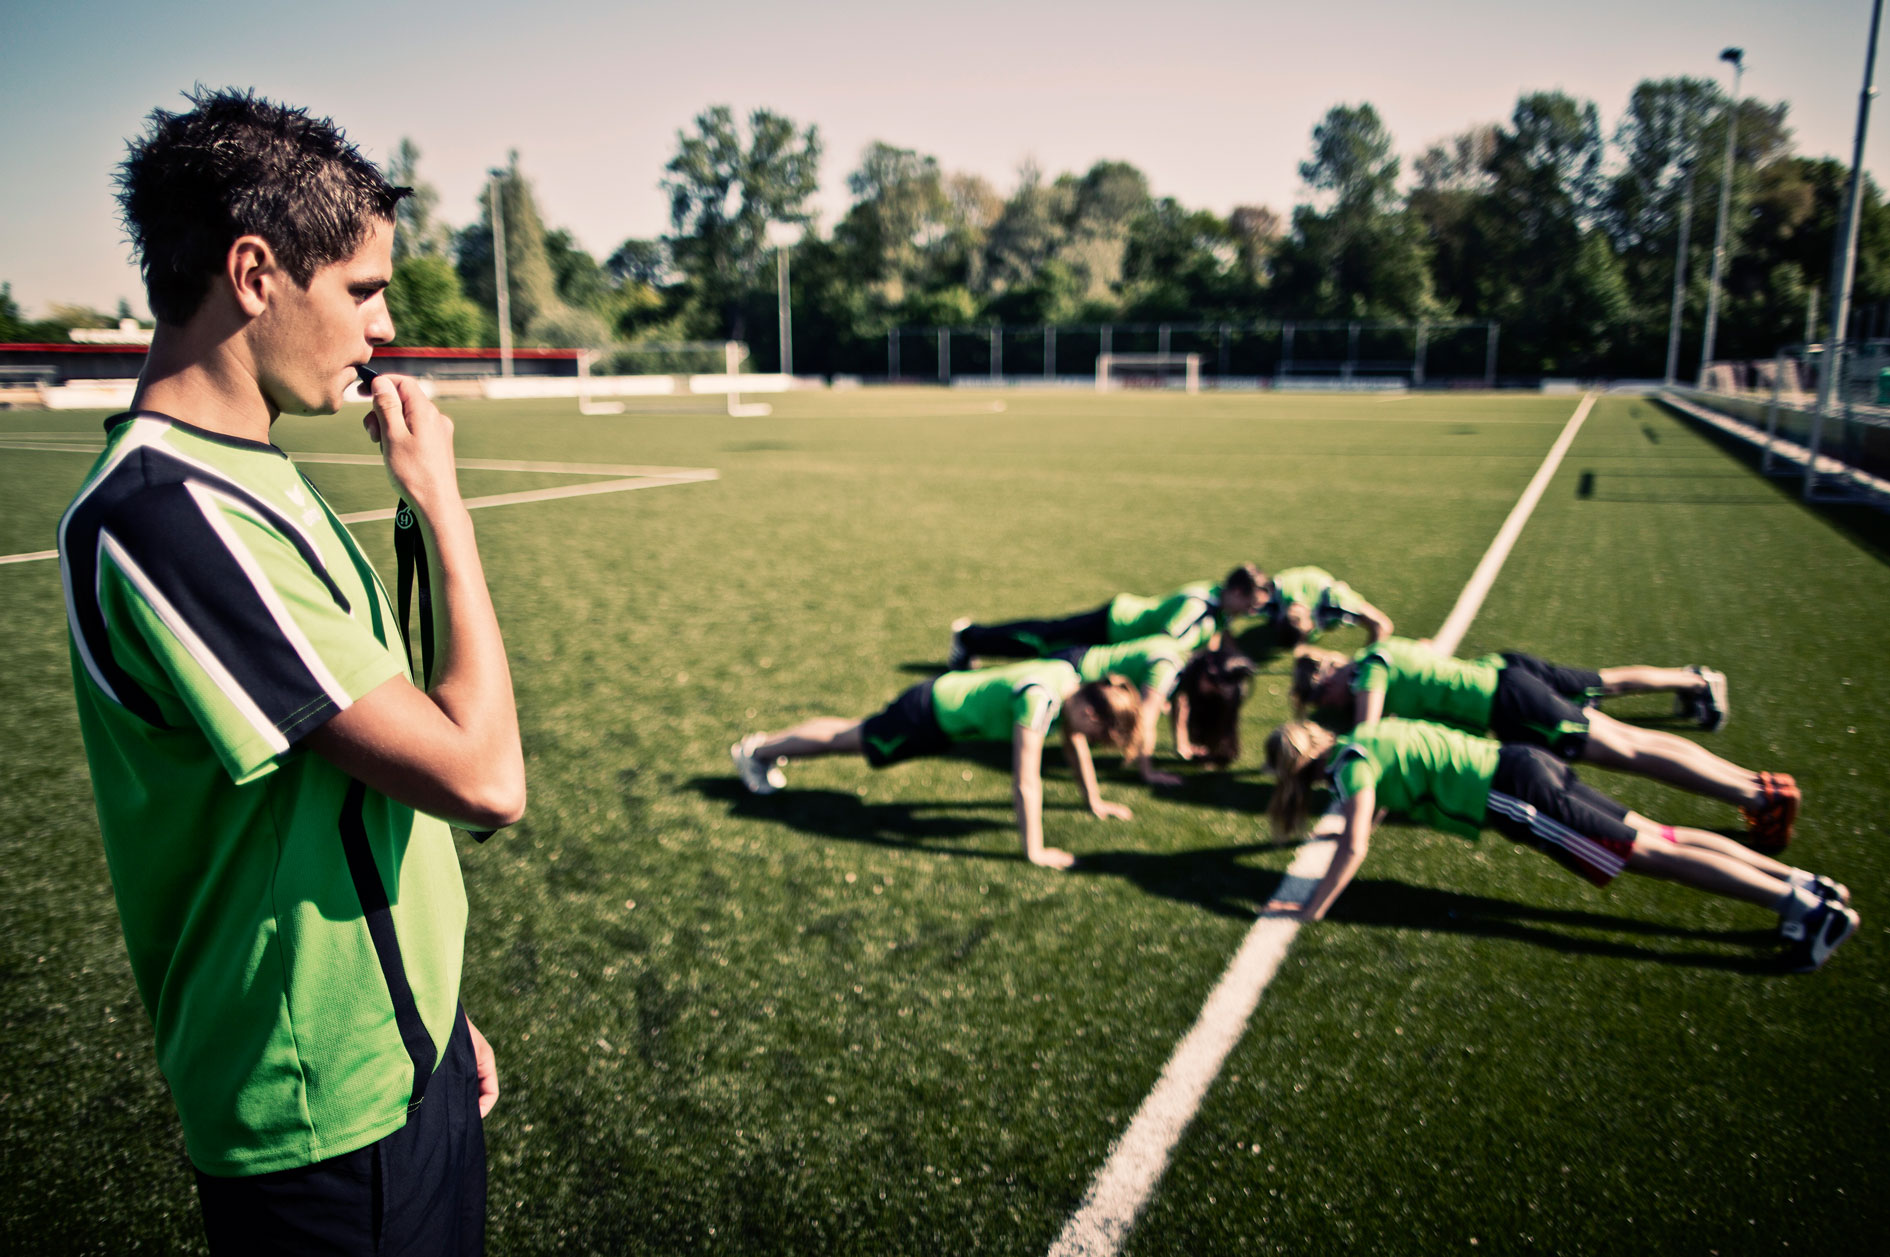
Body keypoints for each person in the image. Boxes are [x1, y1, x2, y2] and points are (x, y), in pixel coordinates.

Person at [58, 89, 522, 1253]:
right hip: (320, 1119)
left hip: (397, 1058)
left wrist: (430, 1015)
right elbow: (482, 777)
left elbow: (357, 793)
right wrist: (444, 509)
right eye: (363, 288)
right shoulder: (168, 513)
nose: (383, 327)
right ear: (256, 273)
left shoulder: (251, 471)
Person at [1262, 718, 1858, 972]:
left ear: (1292, 771)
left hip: (1515, 795)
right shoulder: (1367, 734)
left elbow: (1355, 844)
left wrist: (1310, 907)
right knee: (1663, 834)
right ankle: (1803, 884)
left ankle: (1804, 912)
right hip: (1523, 762)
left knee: (1652, 856)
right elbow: (1407, 777)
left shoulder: (1349, 769)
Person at [1289, 638, 1796, 847]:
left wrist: (1356, 795)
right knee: (1633, 739)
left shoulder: (1367, 673)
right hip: (1504, 677)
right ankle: (1756, 787)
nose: (1331, 703)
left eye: (1324, 695)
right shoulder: (1381, 648)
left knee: (1631, 753)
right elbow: (1426, 651)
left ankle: (1756, 796)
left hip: (1511, 707)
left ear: (1331, 673)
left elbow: (1369, 733)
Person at [732, 661, 1141, 869]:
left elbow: (1073, 747)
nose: (1090, 740)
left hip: (938, 711)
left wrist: (1095, 801)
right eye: (1098, 734)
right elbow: (1026, 781)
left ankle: (765, 749)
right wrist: (1034, 850)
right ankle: (757, 752)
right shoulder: (1041, 700)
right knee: (847, 740)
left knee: (851, 734)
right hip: (924, 715)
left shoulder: (1068, 679)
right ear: (1089, 712)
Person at [946, 563, 1268, 667]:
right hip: (1114, 625)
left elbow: (1218, 637)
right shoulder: (1198, 606)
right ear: (1237, 592)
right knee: (1042, 639)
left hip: (1119, 634)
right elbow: (1165, 643)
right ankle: (970, 637)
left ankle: (974, 641)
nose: (1253, 612)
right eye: (1252, 604)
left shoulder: (1222, 609)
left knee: (1046, 642)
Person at [1255, 565, 1393, 648]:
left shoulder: (1335, 601)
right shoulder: (1269, 599)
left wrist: (1361, 667)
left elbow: (1382, 625)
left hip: (1327, 594)